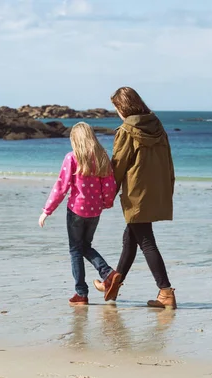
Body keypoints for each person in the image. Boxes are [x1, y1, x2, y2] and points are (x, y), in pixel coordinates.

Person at [93, 87, 177, 309]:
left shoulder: (126, 131)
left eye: (117, 109)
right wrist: (168, 188)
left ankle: (166, 291)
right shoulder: (159, 127)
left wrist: (107, 194)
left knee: (146, 241)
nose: (117, 114)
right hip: (156, 190)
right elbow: (169, 163)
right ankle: (112, 283)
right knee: (130, 238)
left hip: (136, 193)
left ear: (124, 107)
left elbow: (118, 166)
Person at [39, 122, 119, 306]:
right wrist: (107, 203)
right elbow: (109, 184)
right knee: (85, 246)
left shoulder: (72, 158)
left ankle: (82, 293)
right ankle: (107, 273)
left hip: (76, 210)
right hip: (94, 211)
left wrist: (46, 211)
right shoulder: (102, 157)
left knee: (76, 250)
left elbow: (61, 187)